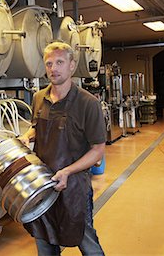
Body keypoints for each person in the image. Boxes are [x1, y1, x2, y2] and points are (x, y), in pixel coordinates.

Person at [18, 41, 106, 256]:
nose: (53, 68)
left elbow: (98, 150)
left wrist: (67, 171)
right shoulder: (39, 98)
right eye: (49, 63)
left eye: (59, 62)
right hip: (42, 185)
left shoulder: (88, 103)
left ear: (72, 66)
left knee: (86, 241)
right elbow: (37, 129)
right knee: (44, 241)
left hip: (73, 186)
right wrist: (27, 136)